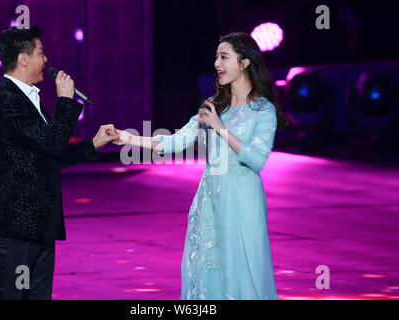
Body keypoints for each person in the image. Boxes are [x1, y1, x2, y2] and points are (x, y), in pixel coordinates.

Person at [114, 32, 289, 299]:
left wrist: (220, 128)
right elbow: (173, 142)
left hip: (243, 203)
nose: (217, 63)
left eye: (224, 57)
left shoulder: (262, 110)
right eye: (216, 57)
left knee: (244, 270)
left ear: (244, 63)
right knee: (208, 275)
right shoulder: (216, 107)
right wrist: (128, 138)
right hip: (210, 203)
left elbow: (257, 159)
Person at [0, 25, 119, 300]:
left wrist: (93, 144)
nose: (46, 61)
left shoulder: (29, 99)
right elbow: (54, 143)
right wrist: (66, 102)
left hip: (40, 223)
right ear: (23, 58)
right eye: (41, 53)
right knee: (14, 295)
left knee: (38, 296)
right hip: (16, 228)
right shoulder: (7, 102)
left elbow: (50, 155)